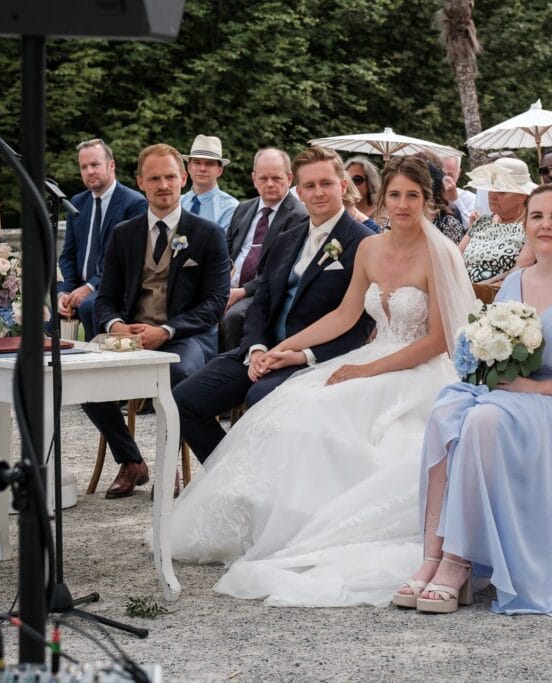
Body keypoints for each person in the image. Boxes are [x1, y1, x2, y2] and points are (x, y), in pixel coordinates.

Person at [169, 156, 478, 608]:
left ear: (427, 201)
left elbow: (441, 340)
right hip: (371, 358)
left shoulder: (440, 253)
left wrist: (369, 369)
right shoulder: (371, 250)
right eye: (395, 194)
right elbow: (345, 314)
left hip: (418, 370)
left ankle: (325, 527)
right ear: (383, 199)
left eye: (413, 195)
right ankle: (282, 520)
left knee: (335, 416)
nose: (403, 204)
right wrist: (282, 347)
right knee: (295, 405)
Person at [393, 183, 552, 615]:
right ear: (525, 224)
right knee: (448, 409)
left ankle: (458, 561)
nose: (546, 224)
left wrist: (536, 390)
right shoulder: (515, 282)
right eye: (537, 216)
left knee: (485, 421)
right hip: (514, 398)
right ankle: (433, 554)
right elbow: (490, 351)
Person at [175, 146, 375, 463]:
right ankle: (229, 475)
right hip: (264, 352)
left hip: (315, 359)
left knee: (260, 399)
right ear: (299, 190)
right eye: (310, 186)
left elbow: (363, 323)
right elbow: (261, 303)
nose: (318, 192)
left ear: (342, 185)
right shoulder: (286, 238)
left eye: (326, 183)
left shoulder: (364, 242)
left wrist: (302, 354)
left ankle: (257, 485)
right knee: (183, 399)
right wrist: (255, 348)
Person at [85, 143, 230, 498]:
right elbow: (104, 298)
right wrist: (116, 326)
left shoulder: (208, 234)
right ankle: (131, 459)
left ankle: (169, 467)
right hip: (131, 335)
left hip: (188, 337)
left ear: (183, 178)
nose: (163, 184)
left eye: (170, 176)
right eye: (154, 178)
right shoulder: (124, 234)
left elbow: (215, 303)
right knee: (83, 376)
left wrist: (166, 330)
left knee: (179, 379)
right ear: (140, 182)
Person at [57, 139, 147, 338]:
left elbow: (128, 261)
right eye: (84, 167)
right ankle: (56, 366)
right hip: (79, 286)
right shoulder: (77, 202)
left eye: (95, 165)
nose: (89, 172)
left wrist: (89, 287)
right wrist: (63, 291)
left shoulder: (134, 204)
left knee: (91, 306)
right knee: (45, 310)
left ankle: (95, 364)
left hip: (114, 287)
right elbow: (68, 256)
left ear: (111, 165)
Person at [222, 148, 309, 351]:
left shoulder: (299, 216)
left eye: (276, 178)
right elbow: (225, 252)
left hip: (263, 291)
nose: (269, 184)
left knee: (235, 316)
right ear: (254, 179)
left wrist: (242, 292)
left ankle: (234, 366)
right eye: (263, 178)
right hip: (228, 286)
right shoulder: (243, 208)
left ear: (289, 178)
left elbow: (281, 270)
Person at [460, 158, 536, 282]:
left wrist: (480, 287)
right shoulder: (482, 222)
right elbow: (455, 259)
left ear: (521, 196)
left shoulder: (531, 227)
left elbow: (517, 273)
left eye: (501, 191)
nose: (492, 195)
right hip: (463, 291)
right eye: (491, 188)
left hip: (501, 295)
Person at [179, 135, 239, 230]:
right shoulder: (176, 203)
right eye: (197, 162)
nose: (202, 169)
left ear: (219, 170)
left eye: (209, 163)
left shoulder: (232, 208)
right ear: (189, 167)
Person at [344, 155, 383, 225]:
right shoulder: (342, 212)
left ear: (370, 182)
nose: (351, 185)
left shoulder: (384, 214)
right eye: (348, 180)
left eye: (357, 180)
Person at [441, 154, 476, 226]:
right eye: (441, 174)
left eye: (450, 175)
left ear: (458, 174)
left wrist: (456, 200)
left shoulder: (470, 199)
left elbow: (471, 228)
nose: (445, 179)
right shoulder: (426, 195)